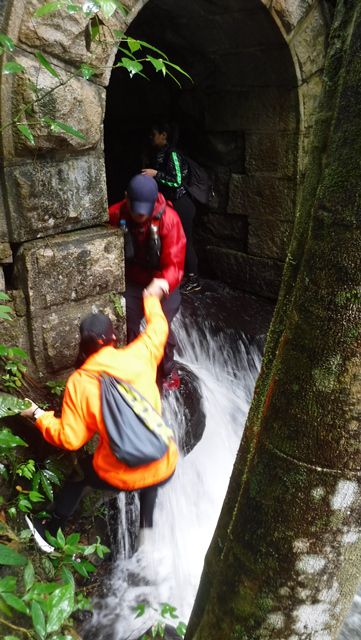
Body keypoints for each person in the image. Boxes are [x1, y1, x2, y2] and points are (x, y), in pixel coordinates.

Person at [20, 291, 178, 551]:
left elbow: (70, 439)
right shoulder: (141, 353)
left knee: (81, 475)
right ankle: (147, 538)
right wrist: (151, 297)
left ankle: (50, 532)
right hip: (165, 460)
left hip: (119, 472)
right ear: (114, 339)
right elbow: (159, 327)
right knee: (152, 470)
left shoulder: (79, 383)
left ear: (83, 345)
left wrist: (37, 414)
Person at [109, 173, 186, 391]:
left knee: (160, 326)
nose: (140, 215)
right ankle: (135, 368)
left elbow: (176, 264)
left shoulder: (169, 220)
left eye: (145, 210)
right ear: (127, 199)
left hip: (162, 280)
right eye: (135, 209)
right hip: (133, 280)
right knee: (129, 322)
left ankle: (167, 369)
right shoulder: (116, 214)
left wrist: (161, 284)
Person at [141, 122, 201, 294]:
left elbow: (177, 181)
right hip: (170, 204)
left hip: (182, 203)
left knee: (185, 240)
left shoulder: (173, 154)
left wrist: (156, 174)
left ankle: (194, 279)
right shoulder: (157, 153)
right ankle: (175, 275)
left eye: (154, 134)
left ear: (164, 135)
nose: (151, 138)